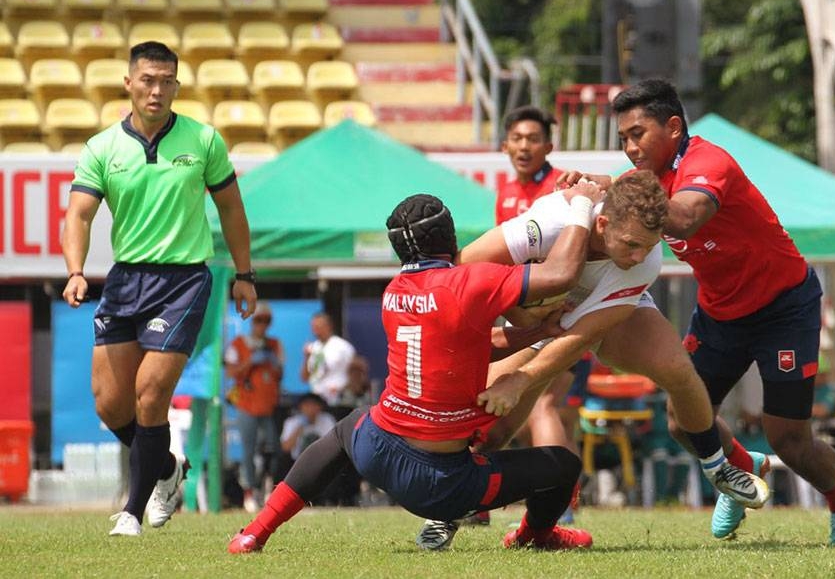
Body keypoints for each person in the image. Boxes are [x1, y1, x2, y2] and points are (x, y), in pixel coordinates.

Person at [562, 79, 835, 545]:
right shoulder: (643, 180)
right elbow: (622, 212)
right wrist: (598, 192)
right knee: (684, 421)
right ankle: (741, 471)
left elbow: (685, 216)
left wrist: (618, 190)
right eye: (622, 139)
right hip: (720, 314)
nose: (629, 147)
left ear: (675, 127)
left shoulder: (708, 161)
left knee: (789, 439)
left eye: (637, 133)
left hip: (784, 308)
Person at [229, 185, 603, 554]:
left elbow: (466, 348)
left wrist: (536, 332)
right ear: (451, 237)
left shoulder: (395, 291)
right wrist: (583, 202)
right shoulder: (472, 280)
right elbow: (562, 273)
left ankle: (255, 533)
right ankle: (535, 536)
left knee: (345, 431)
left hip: (379, 452)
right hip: (445, 484)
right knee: (563, 465)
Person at [415, 170, 770, 551]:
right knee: (492, 428)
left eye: (647, 246)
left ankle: (718, 468)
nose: (638, 257)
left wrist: (522, 378)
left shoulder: (645, 258)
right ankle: (446, 513)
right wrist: (519, 315)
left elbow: (584, 334)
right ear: (600, 223)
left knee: (678, 368)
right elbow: (465, 266)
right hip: (541, 318)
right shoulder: (550, 220)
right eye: (631, 244)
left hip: (600, 315)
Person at [61, 40, 257, 536]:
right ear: (129, 83)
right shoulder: (102, 148)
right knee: (110, 404)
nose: (157, 90)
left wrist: (245, 274)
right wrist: (76, 269)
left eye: (166, 81)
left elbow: (232, 209)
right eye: (147, 80)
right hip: (126, 278)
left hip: (185, 279)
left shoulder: (204, 140)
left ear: (176, 85)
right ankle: (167, 469)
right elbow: (78, 214)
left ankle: (133, 508)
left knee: (151, 394)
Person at [486, 104, 587, 527]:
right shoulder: (506, 192)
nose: (524, 146)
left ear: (549, 145)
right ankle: (478, 497)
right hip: (523, 316)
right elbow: (506, 265)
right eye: (517, 138)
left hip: (564, 311)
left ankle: (558, 509)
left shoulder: (562, 187)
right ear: (506, 144)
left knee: (542, 401)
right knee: (506, 409)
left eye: (533, 139)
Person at [224, 301, 284, 513]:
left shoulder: (274, 344)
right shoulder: (238, 344)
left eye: (266, 321)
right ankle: (249, 492)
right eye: (259, 320)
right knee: (248, 451)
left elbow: (280, 371)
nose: (262, 325)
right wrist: (251, 362)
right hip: (246, 406)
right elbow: (230, 373)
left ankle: (269, 489)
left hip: (269, 407)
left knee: (273, 450)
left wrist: (272, 361)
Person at [300, 312, 357, 414]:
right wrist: (306, 358)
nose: (315, 329)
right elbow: (304, 378)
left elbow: (356, 372)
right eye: (313, 326)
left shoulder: (342, 347)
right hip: (317, 401)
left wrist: (344, 388)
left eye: (318, 326)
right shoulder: (313, 347)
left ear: (329, 326)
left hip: (338, 401)